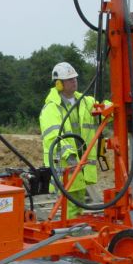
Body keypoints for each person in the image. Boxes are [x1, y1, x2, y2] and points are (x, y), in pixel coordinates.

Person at [39, 62, 99, 219]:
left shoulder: (85, 102)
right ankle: (69, 234)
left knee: (77, 202)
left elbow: (101, 108)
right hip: (66, 165)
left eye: (75, 78)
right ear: (59, 84)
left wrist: (115, 107)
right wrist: (70, 156)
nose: (74, 81)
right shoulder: (51, 108)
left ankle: (74, 230)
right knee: (70, 204)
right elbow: (53, 137)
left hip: (80, 164)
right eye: (69, 79)